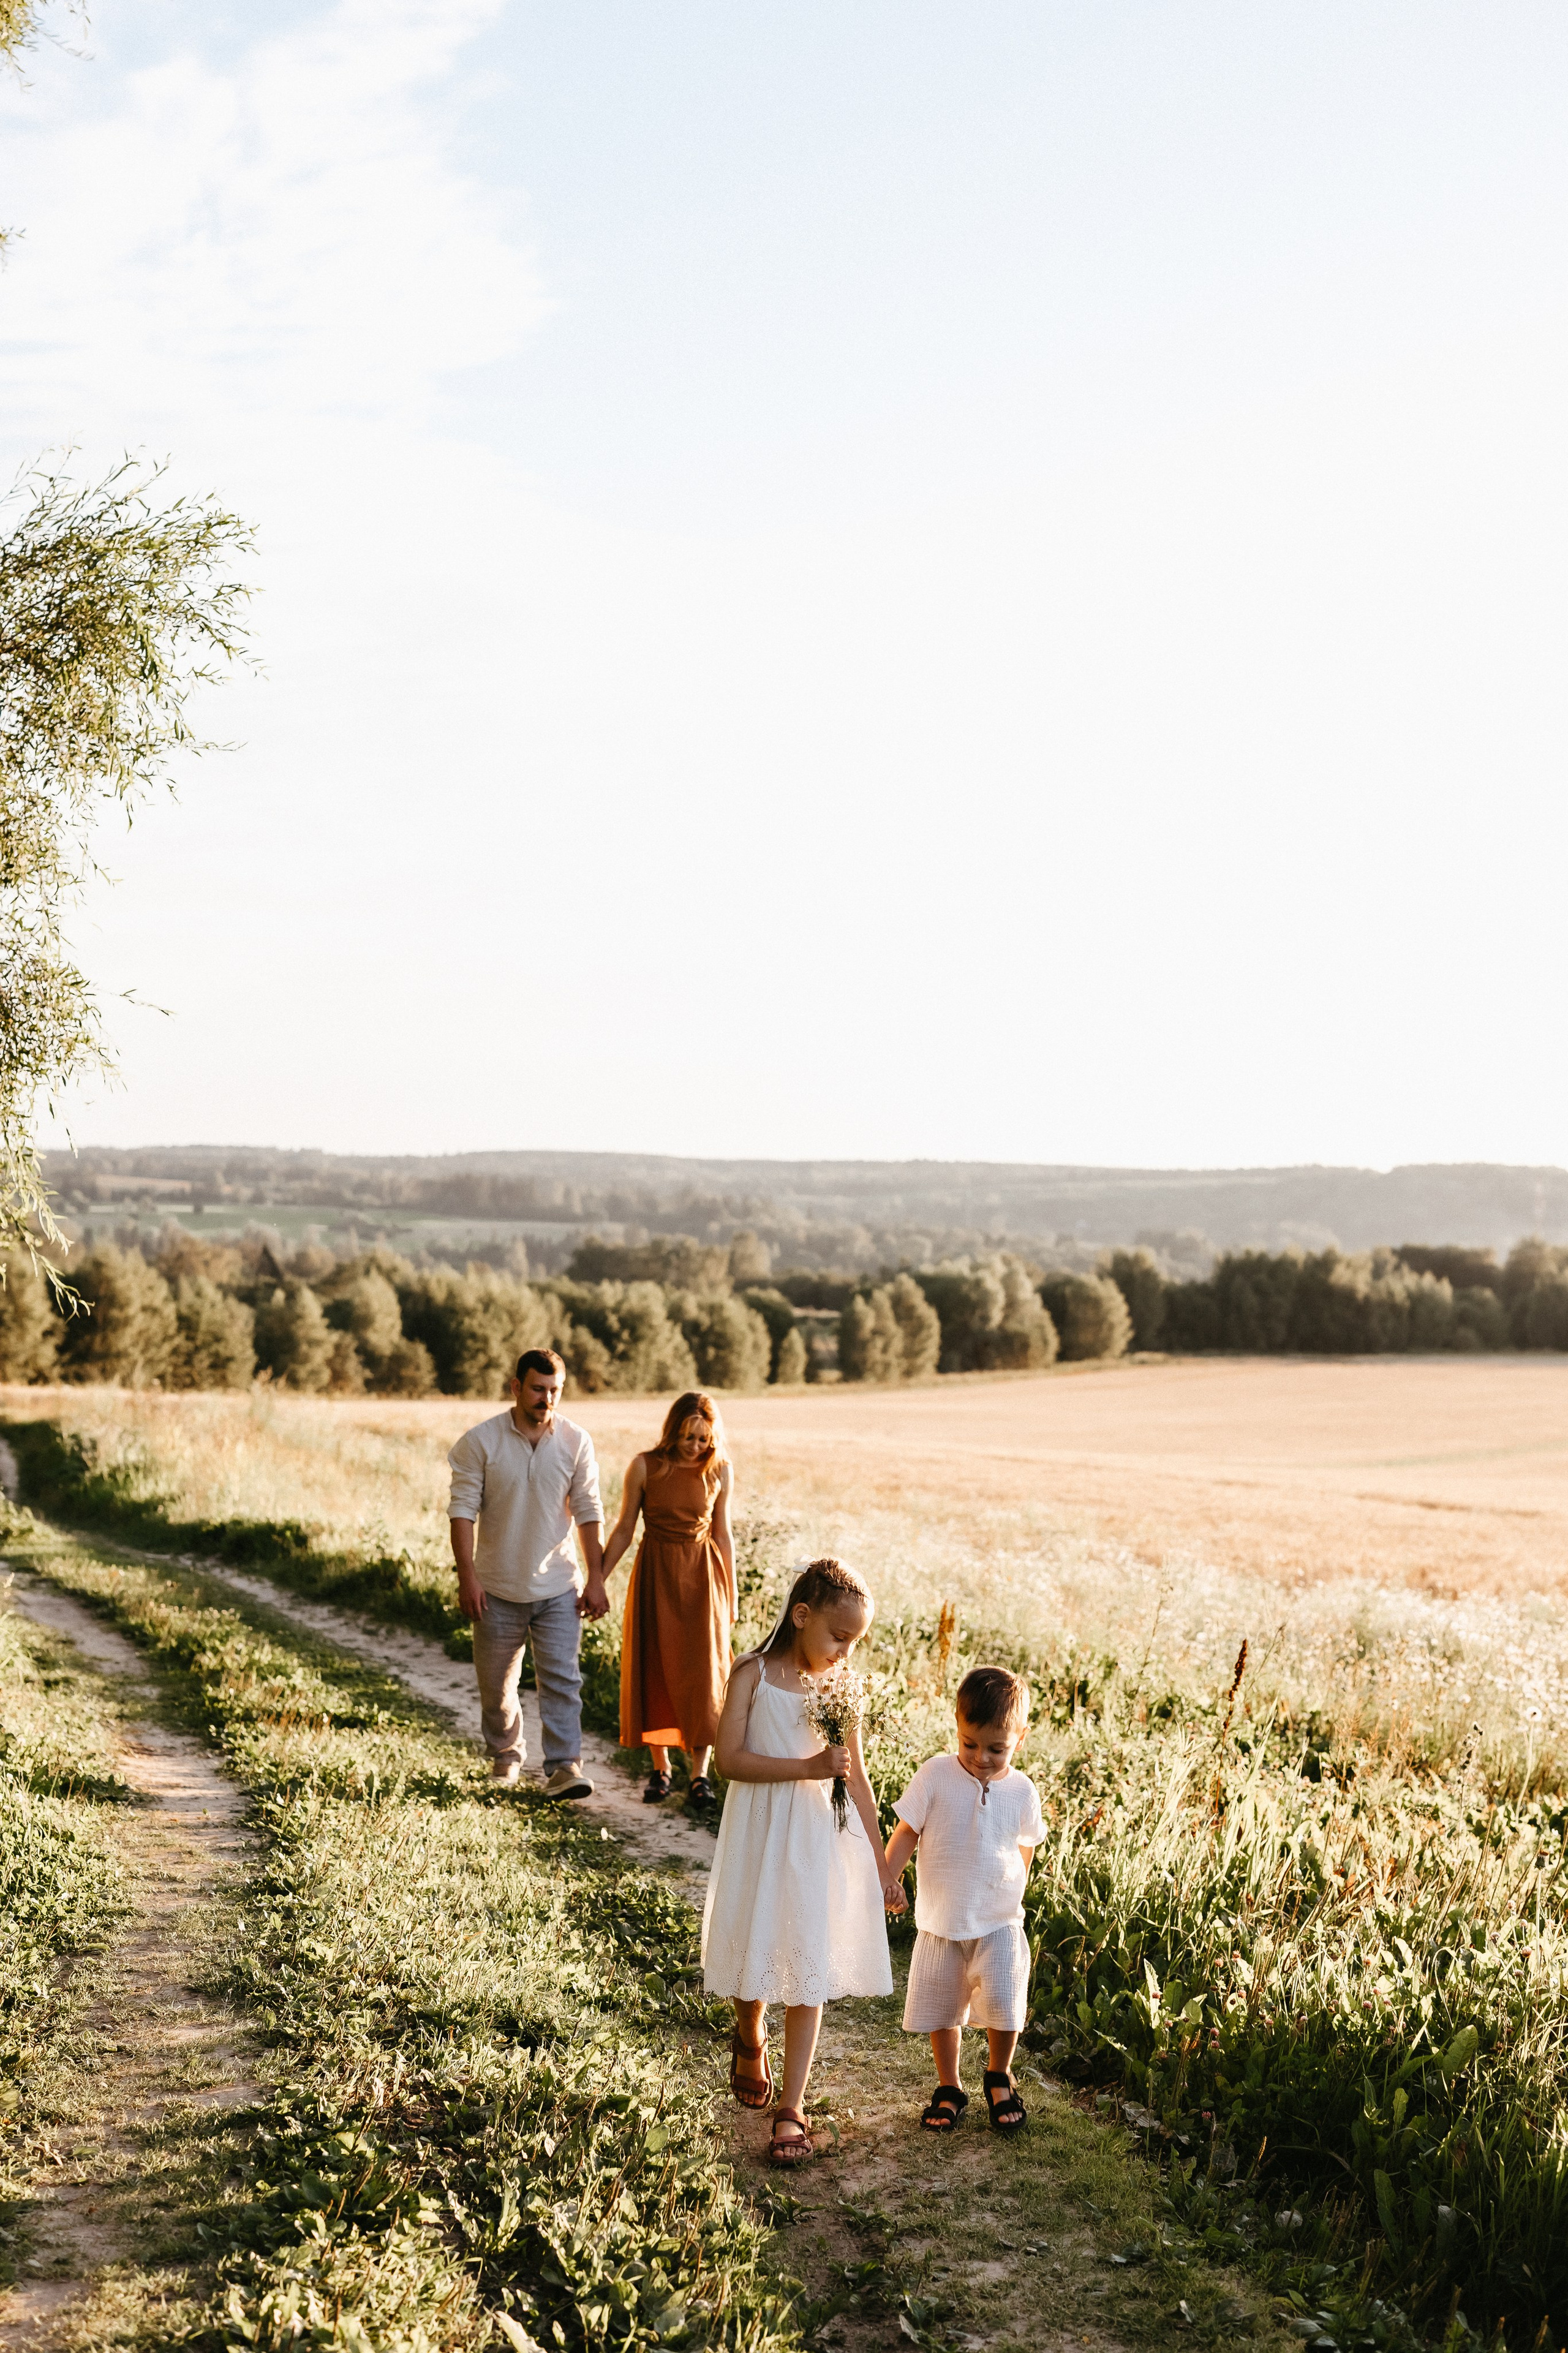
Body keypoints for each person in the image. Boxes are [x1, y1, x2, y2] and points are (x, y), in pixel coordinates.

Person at [703, 1557, 906, 2167]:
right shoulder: (752, 1674)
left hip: (815, 1838)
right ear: (801, 1616)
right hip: (758, 1832)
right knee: (751, 1947)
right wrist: (806, 1769)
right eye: (839, 1637)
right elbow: (729, 1762)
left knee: (806, 1959)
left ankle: (792, 2105)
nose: (846, 1651)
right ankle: (748, 2032)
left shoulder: (839, 1688)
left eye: (856, 1642)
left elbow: (857, 1778)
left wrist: (882, 1863)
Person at [883, 1664, 1044, 2134]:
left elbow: (1025, 1845)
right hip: (942, 1920)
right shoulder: (936, 1775)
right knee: (943, 2005)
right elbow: (908, 1829)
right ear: (957, 1725)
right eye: (969, 1743)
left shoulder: (1022, 1791)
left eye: (996, 1748)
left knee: (1005, 1999)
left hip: (1000, 1920)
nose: (980, 1757)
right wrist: (888, 1878)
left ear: (1020, 1738)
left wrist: (1016, 1885)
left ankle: (999, 2073)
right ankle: (950, 2085)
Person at [447, 1347, 609, 1800]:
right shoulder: (480, 1442)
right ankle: (506, 1756)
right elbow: (462, 1513)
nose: (546, 1398)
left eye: (554, 1390)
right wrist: (468, 1577)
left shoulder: (577, 1441)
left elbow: (589, 1511)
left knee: (562, 1680)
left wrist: (596, 1578)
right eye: (538, 1388)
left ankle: (563, 1767)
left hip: (559, 1586)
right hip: (496, 1588)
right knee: (497, 1688)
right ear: (517, 1387)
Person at [601, 1389, 736, 1813]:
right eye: (687, 1436)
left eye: (702, 1438)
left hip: (703, 1578)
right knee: (656, 1666)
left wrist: (730, 1596)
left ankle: (700, 1775)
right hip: (655, 1573)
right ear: (673, 1429)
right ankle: (660, 1768)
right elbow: (624, 1527)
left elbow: (723, 1534)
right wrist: (596, 1579)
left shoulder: (719, 1471)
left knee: (704, 1675)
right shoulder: (645, 1466)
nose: (695, 1445)